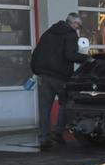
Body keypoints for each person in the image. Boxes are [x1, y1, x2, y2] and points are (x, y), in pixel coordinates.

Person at [30, 12, 83, 150]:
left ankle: (44, 138)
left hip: (44, 76)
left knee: (44, 108)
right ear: (72, 23)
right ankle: (58, 132)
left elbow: (36, 53)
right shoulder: (70, 34)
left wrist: (37, 71)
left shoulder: (48, 33)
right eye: (78, 25)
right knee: (66, 103)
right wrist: (86, 59)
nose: (78, 28)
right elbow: (70, 55)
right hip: (60, 77)